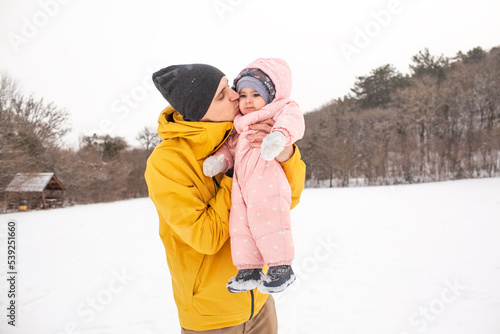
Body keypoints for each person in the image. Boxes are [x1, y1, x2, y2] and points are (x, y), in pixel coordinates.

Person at [145, 63, 306, 333]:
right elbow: (206, 237)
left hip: (260, 302)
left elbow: (287, 201)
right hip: (212, 316)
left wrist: (286, 156)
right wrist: (235, 175)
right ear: (199, 112)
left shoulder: (243, 132)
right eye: (221, 95)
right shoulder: (168, 162)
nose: (235, 95)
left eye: (228, 86)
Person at [202, 58, 305, 295]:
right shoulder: (239, 124)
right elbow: (230, 147)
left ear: (269, 97)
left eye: (256, 95)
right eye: (244, 94)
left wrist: (279, 137)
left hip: (268, 178)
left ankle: (281, 266)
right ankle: (249, 270)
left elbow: (293, 121)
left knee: (269, 221)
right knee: (240, 225)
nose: (248, 100)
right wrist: (221, 161)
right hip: (242, 185)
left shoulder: (278, 109)